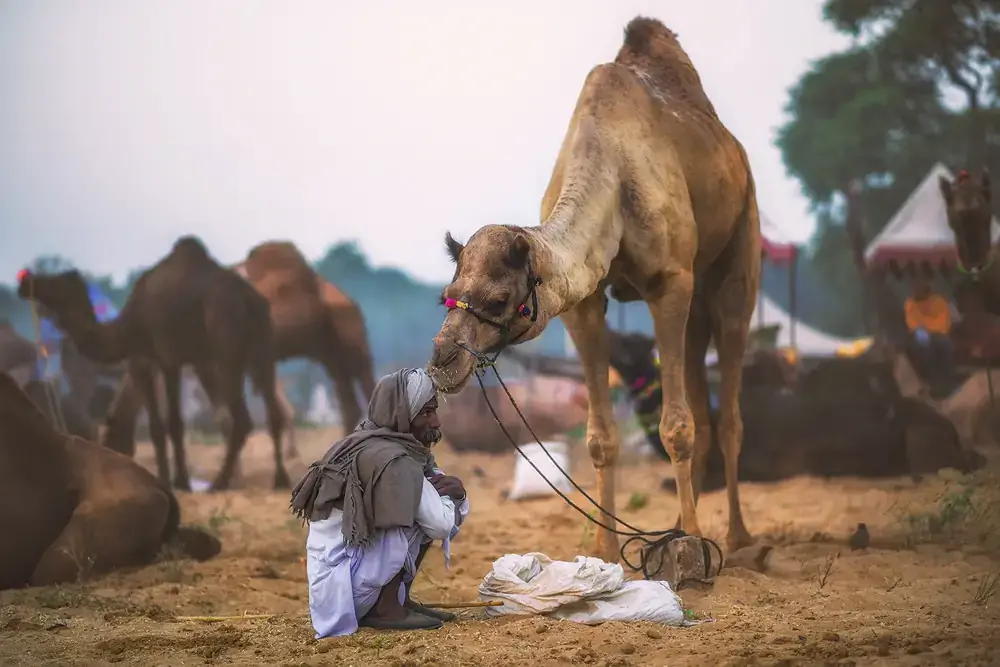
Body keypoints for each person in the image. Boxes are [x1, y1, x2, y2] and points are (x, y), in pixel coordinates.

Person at [291, 368, 469, 637]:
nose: (436, 423)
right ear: (402, 415)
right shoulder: (392, 460)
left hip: (336, 590)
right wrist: (457, 493)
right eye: (426, 412)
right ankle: (386, 610)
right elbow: (441, 525)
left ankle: (398, 599)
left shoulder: (373, 442)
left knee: (417, 506)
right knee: (416, 511)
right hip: (348, 593)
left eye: (434, 411)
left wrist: (436, 493)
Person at [904, 277, 955, 391]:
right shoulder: (910, 304)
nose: (916, 289)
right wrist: (927, 324)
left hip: (939, 335)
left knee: (946, 344)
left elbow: (942, 324)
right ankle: (933, 383)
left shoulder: (938, 301)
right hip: (919, 336)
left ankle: (948, 382)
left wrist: (924, 324)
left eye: (919, 286)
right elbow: (912, 324)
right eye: (914, 286)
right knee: (924, 344)